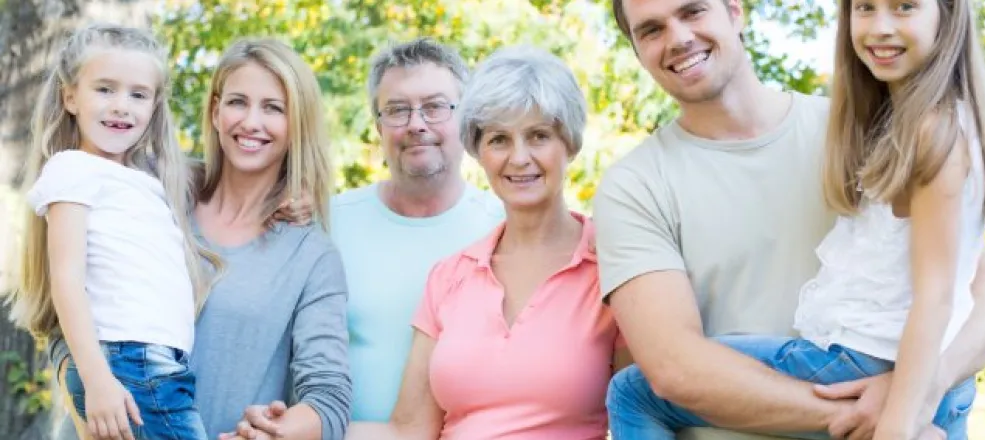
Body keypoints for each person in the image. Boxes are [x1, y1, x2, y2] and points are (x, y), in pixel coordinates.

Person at [594, 1, 985, 439]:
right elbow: (674, 368)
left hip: (899, 408)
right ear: (636, 50)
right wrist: (876, 412)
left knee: (630, 393)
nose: (679, 38)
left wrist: (913, 396)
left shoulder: (860, 131)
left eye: (694, 11)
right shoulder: (635, 186)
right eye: (651, 30)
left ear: (736, 11)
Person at [46, 37, 353, 440]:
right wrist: (89, 398)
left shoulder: (311, 255)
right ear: (215, 110)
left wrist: (272, 432)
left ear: (298, 124)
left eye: (274, 108)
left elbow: (329, 398)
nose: (251, 122)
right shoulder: (152, 192)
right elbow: (59, 312)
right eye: (238, 102)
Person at [344, 44, 628, 440]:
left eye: (539, 136)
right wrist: (296, 432)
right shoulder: (450, 276)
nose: (518, 158)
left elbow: (647, 411)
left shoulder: (615, 263)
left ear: (571, 143)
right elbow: (408, 431)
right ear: (478, 150)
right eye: (498, 140)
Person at [8, 23, 210, 440]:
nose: (122, 105)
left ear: (154, 106)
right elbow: (67, 280)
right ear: (70, 98)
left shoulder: (146, 181)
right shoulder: (72, 168)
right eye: (104, 89)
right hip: (125, 363)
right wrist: (97, 378)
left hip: (156, 367)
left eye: (138, 94)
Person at [328, 38, 504, 422]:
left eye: (435, 107)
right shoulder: (330, 223)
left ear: (466, 117)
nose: (416, 124)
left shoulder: (504, 227)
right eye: (397, 110)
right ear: (377, 126)